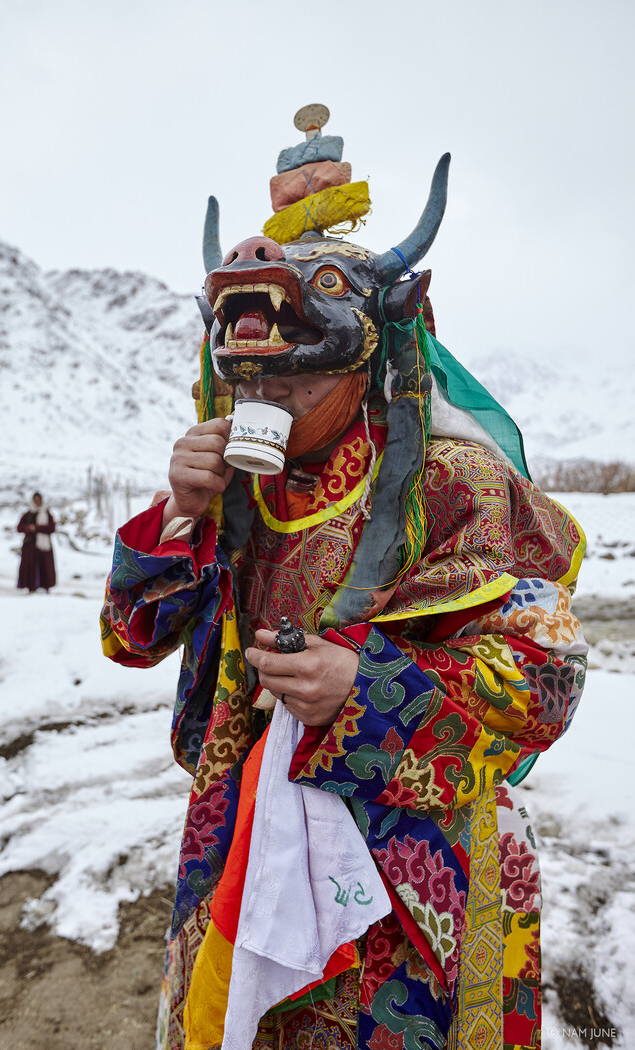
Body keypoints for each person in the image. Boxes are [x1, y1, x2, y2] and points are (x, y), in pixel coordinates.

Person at [100, 125, 587, 1050]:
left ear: (363, 360)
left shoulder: (457, 483)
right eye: (249, 383)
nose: (265, 403)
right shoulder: (234, 487)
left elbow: (548, 676)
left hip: (411, 863)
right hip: (239, 836)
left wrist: (363, 690)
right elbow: (129, 639)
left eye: (293, 382)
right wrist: (179, 514)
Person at [16, 491, 56, 592]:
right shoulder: (28, 514)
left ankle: (45, 588)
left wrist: (37, 528)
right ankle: (31, 587)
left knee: (44, 567)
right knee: (30, 567)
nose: (37, 502)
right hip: (30, 546)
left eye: (38, 500)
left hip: (44, 546)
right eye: (35, 500)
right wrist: (29, 528)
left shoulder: (46, 514)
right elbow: (19, 527)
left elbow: (52, 528)